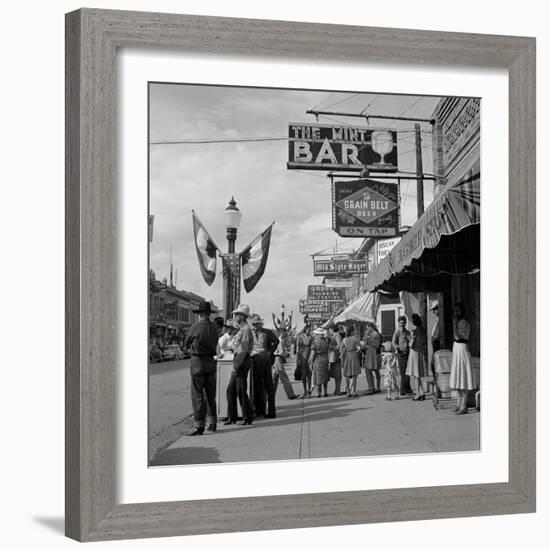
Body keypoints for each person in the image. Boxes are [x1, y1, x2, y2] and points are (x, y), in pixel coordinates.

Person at [183, 301, 219, 435]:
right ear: (209, 314)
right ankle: (213, 422)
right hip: (210, 361)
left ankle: (199, 425)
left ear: (200, 314)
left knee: (197, 394)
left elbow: (186, 343)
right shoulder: (214, 328)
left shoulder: (196, 327)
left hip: (198, 361)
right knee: (211, 394)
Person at [225, 304, 254, 426]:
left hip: (241, 360)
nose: (235, 316)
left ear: (242, 316)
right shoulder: (241, 329)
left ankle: (247, 417)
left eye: (237, 314)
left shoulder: (246, 329)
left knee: (241, 389)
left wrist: (235, 366)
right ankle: (232, 416)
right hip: (239, 359)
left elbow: (242, 350)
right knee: (231, 390)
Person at [249, 313, 278, 418]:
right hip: (255, 361)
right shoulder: (250, 333)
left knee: (269, 386)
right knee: (257, 386)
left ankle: (271, 411)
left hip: (265, 360)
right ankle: (260, 410)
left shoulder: (267, 332)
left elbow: (276, 341)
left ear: (260, 323)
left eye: (258, 323)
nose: (256, 325)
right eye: (254, 324)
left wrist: (270, 352)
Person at [449, 302, 476, 414]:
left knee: (463, 376)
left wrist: (454, 324)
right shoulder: (459, 322)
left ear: (462, 311)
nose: (456, 313)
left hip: (462, 348)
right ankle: (459, 403)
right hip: (457, 348)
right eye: (455, 311)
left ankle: (463, 405)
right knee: (458, 376)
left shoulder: (463, 323)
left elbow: (457, 336)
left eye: (458, 310)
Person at [406, 313, 428, 401]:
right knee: (418, 374)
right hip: (421, 352)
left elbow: (411, 344)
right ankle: (421, 392)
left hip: (414, 352)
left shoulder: (414, 331)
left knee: (415, 374)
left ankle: (418, 393)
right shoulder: (423, 330)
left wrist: (409, 339)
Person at [272, 328, 298, 400]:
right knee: (284, 378)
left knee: (274, 379)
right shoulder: (281, 340)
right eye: (285, 332)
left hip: (276, 359)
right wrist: (287, 355)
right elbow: (281, 352)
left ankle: (270, 395)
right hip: (279, 359)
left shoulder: (279, 339)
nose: (286, 334)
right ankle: (291, 395)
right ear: (282, 333)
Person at [392, 316, 412, 395]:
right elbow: (393, 342)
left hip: (408, 352)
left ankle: (407, 388)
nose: (402, 324)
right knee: (403, 372)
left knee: (408, 372)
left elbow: (410, 341)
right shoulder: (397, 332)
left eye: (403, 322)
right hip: (401, 353)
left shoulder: (407, 332)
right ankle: (403, 390)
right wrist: (398, 347)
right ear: (398, 323)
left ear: (405, 323)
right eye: (400, 323)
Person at [340, 325, 361, 397]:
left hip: (347, 356)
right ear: (352, 331)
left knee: (347, 375)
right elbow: (361, 346)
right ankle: (354, 391)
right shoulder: (355, 338)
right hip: (354, 355)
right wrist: (357, 349)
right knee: (354, 374)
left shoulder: (344, 339)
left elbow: (341, 349)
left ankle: (348, 391)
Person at [362, 322, 382, 395]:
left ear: (371, 327)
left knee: (371, 370)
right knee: (368, 370)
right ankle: (372, 387)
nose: (367, 329)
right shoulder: (370, 334)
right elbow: (365, 344)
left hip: (374, 354)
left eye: (367, 327)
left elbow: (377, 345)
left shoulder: (375, 334)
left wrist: (368, 341)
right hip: (370, 353)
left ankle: (373, 387)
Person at [310, 328, 330, 397]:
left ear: (317, 334)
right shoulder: (326, 341)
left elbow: (312, 354)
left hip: (318, 359)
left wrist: (311, 362)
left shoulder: (315, 342)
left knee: (318, 376)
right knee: (325, 375)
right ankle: (325, 392)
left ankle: (319, 393)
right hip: (325, 359)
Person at [294, 325, 313, 398]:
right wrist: (298, 359)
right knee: (304, 375)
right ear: (305, 330)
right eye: (308, 330)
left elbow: (312, 347)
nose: (309, 331)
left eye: (310, 330)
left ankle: (309, 391)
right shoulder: (300, 337)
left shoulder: (311, 337)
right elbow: (297, 348)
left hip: (309, 355)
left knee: (309, 374)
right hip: (302, 356)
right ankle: (305, 391)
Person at [328, 324, 345, 396]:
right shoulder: (334, 335)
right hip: (333, 356)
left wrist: (332, 347)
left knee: (337, 374)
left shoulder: (337, 335)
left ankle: (338, 390)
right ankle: (336, 390)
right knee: (335, 374)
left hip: (336, 356)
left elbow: (340, 345)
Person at [430, 301, 441, 377]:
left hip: (438, 345)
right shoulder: (437, 320)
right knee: (432, 365)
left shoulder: (440, 320)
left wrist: (435, 338)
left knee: (434, 365)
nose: (433, 311)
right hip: (435, 345)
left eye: (435, 309)